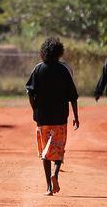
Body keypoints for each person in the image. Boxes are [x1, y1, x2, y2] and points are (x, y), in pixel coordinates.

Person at [25, 37, 80, 196]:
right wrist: (76, 116)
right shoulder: (64, 70)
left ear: (44, 52)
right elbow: (73, 96)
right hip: (60, 117)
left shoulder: (38, 69)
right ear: (59, 52)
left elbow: (30, 92)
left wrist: (34, 108)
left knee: (44, 152)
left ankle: (49, 186)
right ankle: (55, 174)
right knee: (58, 148)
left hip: (42, 117)